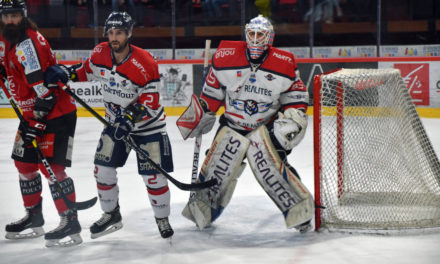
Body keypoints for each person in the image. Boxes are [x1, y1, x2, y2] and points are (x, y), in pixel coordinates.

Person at [44, 11, 174, 239]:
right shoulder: (100, 52)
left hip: (148, 128)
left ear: (129, 33)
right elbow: (85, 71)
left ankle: (162, 218)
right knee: (102, 170)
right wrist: (66, 72)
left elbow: (150, 102)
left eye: (120, 33)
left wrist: (129, 119)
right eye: (111, 33)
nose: (114, 38)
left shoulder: (145, 63)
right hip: (115, 125)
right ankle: (111, 214)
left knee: (153, 177)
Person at [176, 15, 313, 232]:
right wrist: (202, 111)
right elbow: (212, 94)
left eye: (261, 35)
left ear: (270, 38)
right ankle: (202, 211)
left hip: (265, 126)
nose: (256, 39)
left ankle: (301, 213)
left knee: (276, 168)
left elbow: (294, 94)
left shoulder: (284, 62)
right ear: (246, 34)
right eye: (252, 33)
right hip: (233, 123)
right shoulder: (225, 57)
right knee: (216, 168)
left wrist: (293, 115)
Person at [0, 0, 83, 247]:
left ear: (23, 16)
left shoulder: (29, 44)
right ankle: (34, 217)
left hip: (55, 113)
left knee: (52, 170)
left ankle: (70, 221)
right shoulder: (5, 38)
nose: (10, 21)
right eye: (6, 16)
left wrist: (36, 122)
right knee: (23, 163)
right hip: (30, 114)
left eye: (15, 16)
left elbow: (45, 95)